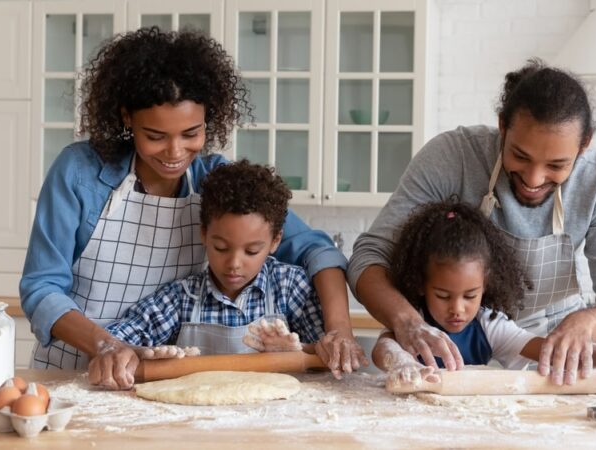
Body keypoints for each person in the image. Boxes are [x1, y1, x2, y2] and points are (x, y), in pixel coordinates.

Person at [20, 27, 365, 389]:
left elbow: (317, 251)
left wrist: (339, 331)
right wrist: (107, 344)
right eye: (155, 136)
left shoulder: (214, 181)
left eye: (191, 134)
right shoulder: (80, 172)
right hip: (70, 373)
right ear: (127, 119)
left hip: (155, 379)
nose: (174, 153)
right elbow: (41, 288)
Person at [348, 59, 596, 386]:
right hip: (453, 358)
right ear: (503, 126)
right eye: (520, 156)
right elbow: (369, 256)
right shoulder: (455, 156)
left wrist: (584, 325)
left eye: (556, 165)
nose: (534, 178)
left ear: (584, 144)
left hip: (554, 365)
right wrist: (407, 321)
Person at [370, 200, 596, 392]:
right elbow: (383, 348)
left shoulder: (490, 325)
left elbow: (551, 350)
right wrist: (402, 361)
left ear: (485, 285)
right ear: (421, 285)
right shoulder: (414, 322)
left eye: (470, 295)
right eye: (443, 295)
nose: (458, 308)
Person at [89, 160, 329, 388]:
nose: (234, 263)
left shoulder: (291, 287)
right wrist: (139, 353)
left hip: (275, 422)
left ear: (275, 241)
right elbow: (118, 340)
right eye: (221, 248)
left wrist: (297, 352)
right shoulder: (182, 297)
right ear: (204, 233)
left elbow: (327, 357)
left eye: (252, 251)